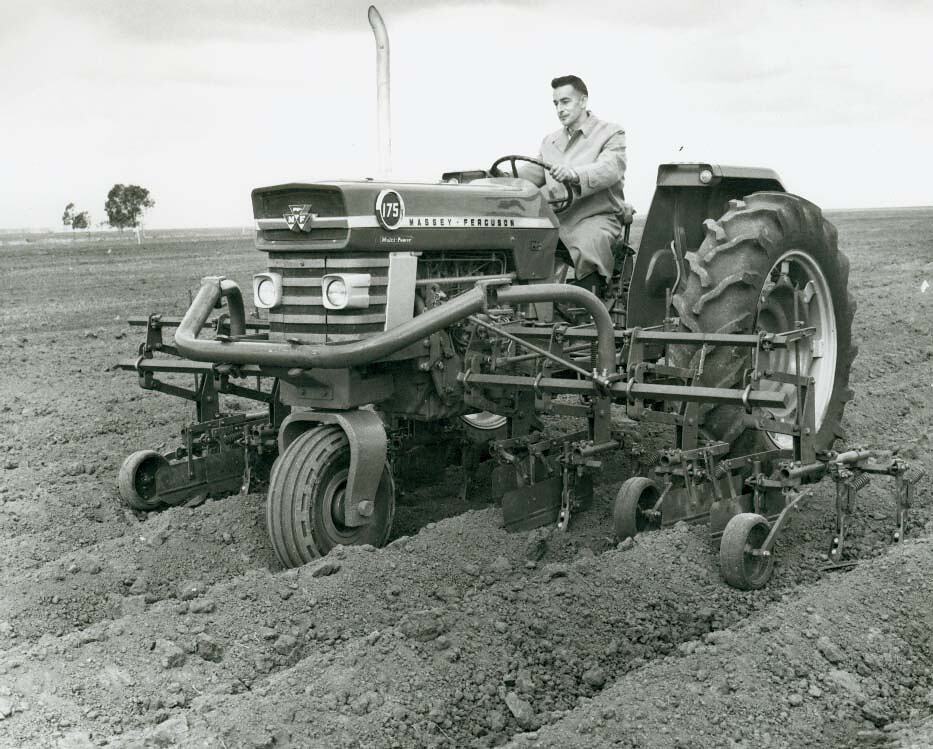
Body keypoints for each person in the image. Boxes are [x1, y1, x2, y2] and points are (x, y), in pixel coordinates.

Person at [516, 75, 627, 295]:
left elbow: (610, 168)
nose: (559, 109)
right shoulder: (550, 141)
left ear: (583, 101)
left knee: (589, 241)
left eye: (565, 102)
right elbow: (534, 173)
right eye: (556, 104)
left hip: (596, 217)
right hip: (555, 220)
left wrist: (575, 174)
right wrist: (498, 177)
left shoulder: (610, 133)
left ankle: (591, 301)